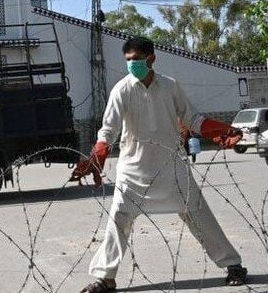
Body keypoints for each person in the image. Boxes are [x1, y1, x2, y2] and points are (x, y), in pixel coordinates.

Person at [71, 37, 246, 293]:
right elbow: (108, 129)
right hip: (133, 169)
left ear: (151, 59)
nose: (132, 64)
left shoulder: (169, 86)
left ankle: (232, 265)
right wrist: (98, 151)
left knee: (198, 214)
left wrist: (216, 130)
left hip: (171, 166)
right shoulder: (122, 89)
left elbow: (193, 118)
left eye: (136, 59)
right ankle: (105, 278)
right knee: (119, 219)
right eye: (128, 60)